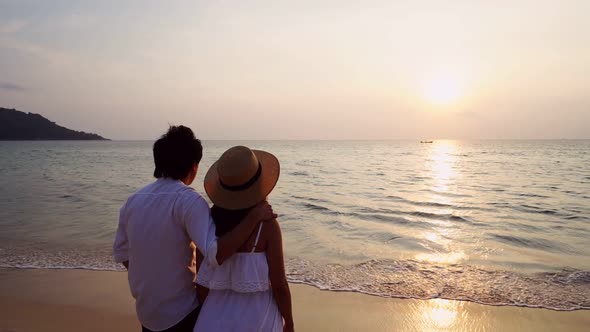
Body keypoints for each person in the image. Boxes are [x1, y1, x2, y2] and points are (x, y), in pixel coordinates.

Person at [113, 126, 275, 332]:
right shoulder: (188, 200)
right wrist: (254, 216)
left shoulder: (133, 201)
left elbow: (122, 253)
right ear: (194, 167)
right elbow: (215, 255)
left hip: (146, 311)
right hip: (181, 312)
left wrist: (153, 276)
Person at [194, 146, 294, 332]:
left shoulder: (209, 221)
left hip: (213, 317)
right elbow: (279, 284)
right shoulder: (268, 227)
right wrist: (289, 321)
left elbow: (201, 282)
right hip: (258, 319)